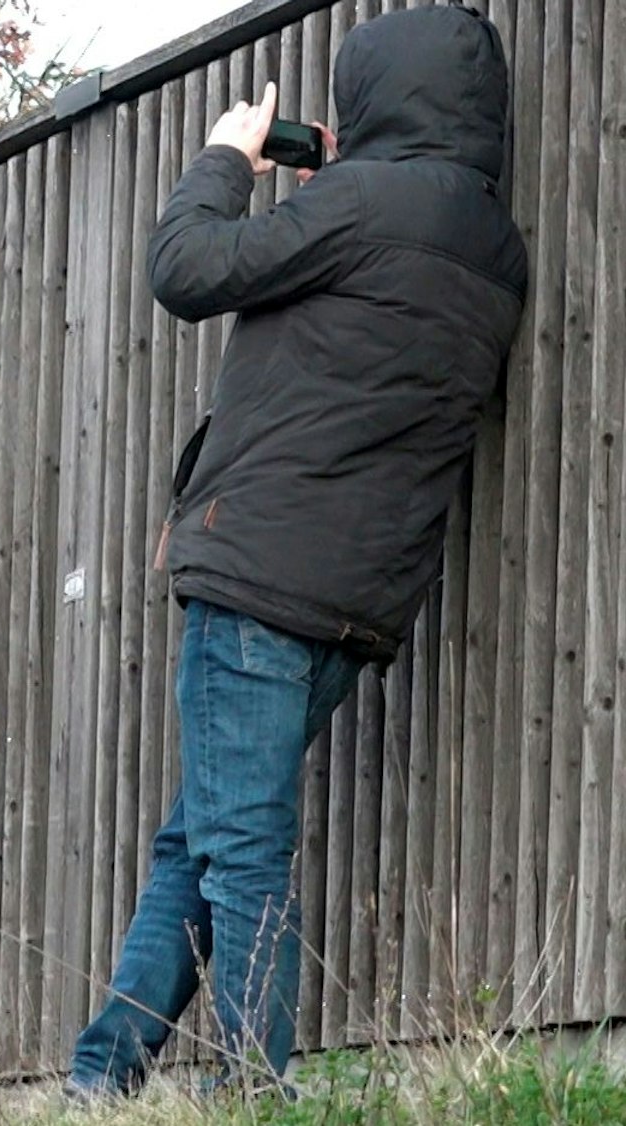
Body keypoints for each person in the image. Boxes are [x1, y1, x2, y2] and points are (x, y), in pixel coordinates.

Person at [67, 5, 528, 1100]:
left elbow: (186, 268)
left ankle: (248, 1096)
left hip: (253, 579)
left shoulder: (361, 204)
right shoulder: (485, 239)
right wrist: (338, 173)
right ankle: (96, 1082)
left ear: (374, 94)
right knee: (204, 840)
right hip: (353, 602)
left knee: (241, 854)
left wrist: (224, 159)